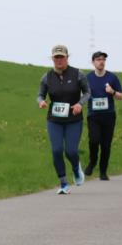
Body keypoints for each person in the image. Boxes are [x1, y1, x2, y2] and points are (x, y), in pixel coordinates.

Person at [37, 45, 90, 194]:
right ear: (52, 58)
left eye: (62, 57)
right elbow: (40, 94)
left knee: (71, 151)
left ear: (67, 57)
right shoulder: (46, 77)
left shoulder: (78, 74)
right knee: (56, 150)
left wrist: (80, 103)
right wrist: (41, 101)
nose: (59, 60)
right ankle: (63, 183)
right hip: (54, 119)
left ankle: (75, 168)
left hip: (74, 118)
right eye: (56, 57)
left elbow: (87, 92)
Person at [84, 50, 122, 180]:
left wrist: (112, 92)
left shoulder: (112, 77)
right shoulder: (88, 78)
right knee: (94, 140)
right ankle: (92, 161)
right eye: (98, 59)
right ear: (93, 62)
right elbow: (82, 94)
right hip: (93, 115)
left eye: (103, 60)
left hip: (108, 115)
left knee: (106, 145)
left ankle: (103, 171)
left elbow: (121, 96)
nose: (101, 62)